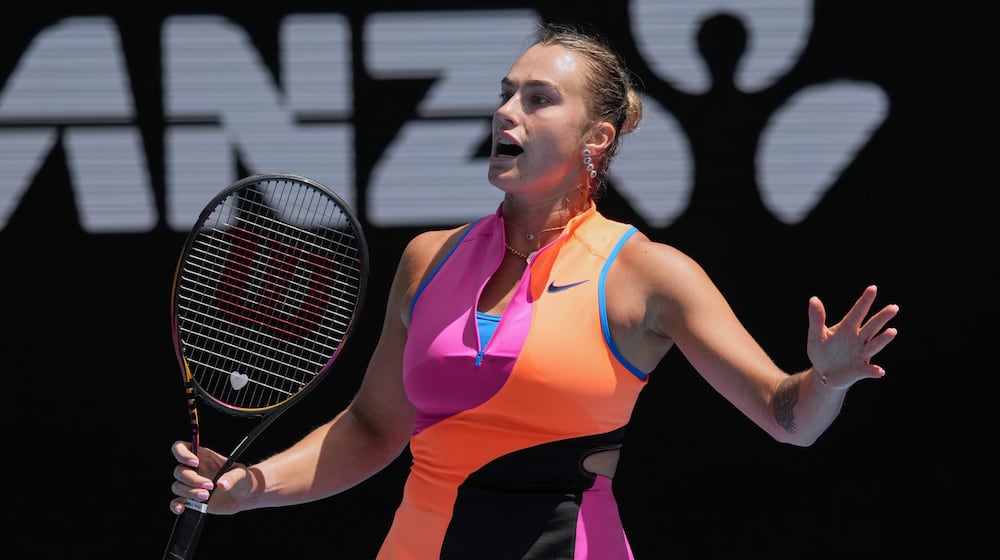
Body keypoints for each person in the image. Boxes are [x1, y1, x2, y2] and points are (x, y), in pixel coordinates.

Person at [168, 21, 899, 559]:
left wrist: (827, 380)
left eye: (539, 99)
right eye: (505, 94)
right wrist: (252, 485)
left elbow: (786, 417)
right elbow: (372, 427)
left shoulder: (648, 276)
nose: (505, 112)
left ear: (596, 138)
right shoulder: (428, 259)